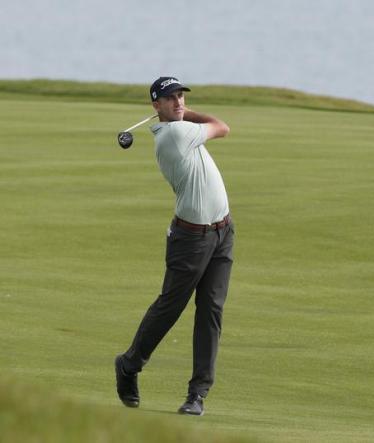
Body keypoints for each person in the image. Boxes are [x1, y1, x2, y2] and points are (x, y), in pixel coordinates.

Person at [115, 76, 234, 416]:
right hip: (191, 239)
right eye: (171, 98)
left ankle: (197, 395)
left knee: (211, 309)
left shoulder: (178, 126)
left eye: (181, 96)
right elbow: (222, 127)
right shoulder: (175, 135)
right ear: (156, 106)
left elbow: (208, 126)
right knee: (170, 307)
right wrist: (186, 114)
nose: (179, 102)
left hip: (223, 231)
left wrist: (179, 112)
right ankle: (129, 365)